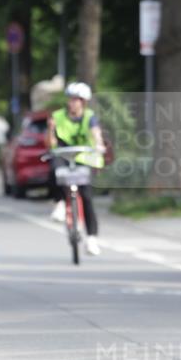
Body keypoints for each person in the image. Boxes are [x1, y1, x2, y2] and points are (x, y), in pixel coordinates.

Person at [48, 82, 105, 255]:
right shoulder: (57, 116)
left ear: (83, 102)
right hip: (64, 155)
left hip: (83, 157)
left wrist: (99, 145)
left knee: (87, 197)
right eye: (70, 99)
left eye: (77, 100)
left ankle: (92, 239)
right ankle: (59, 203)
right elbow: (51, 141)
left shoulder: (89, 116)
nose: (72, 103)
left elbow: (96, 134)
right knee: (54, 168)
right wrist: (51, 135)